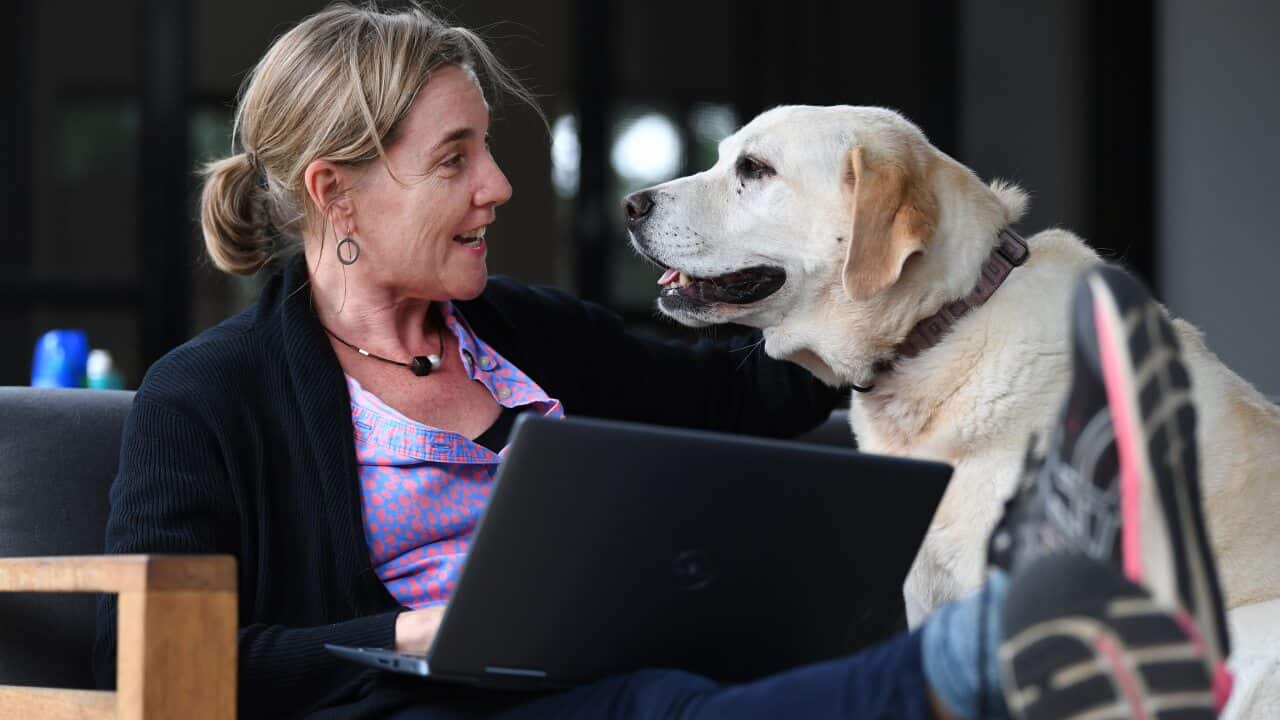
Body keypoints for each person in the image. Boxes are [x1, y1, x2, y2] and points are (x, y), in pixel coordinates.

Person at [92, 4, 1232, 719]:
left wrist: (961, 273)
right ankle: (978, 659)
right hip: (449, 705)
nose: (496, 185)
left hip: (634, 673)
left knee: (686, 687)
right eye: (453, 158)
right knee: (667, 703)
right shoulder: (210, 395)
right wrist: (414, 635)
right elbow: (158, 654)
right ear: (336, 193)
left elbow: (753, 392)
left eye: (487, 147)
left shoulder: (527, 335)